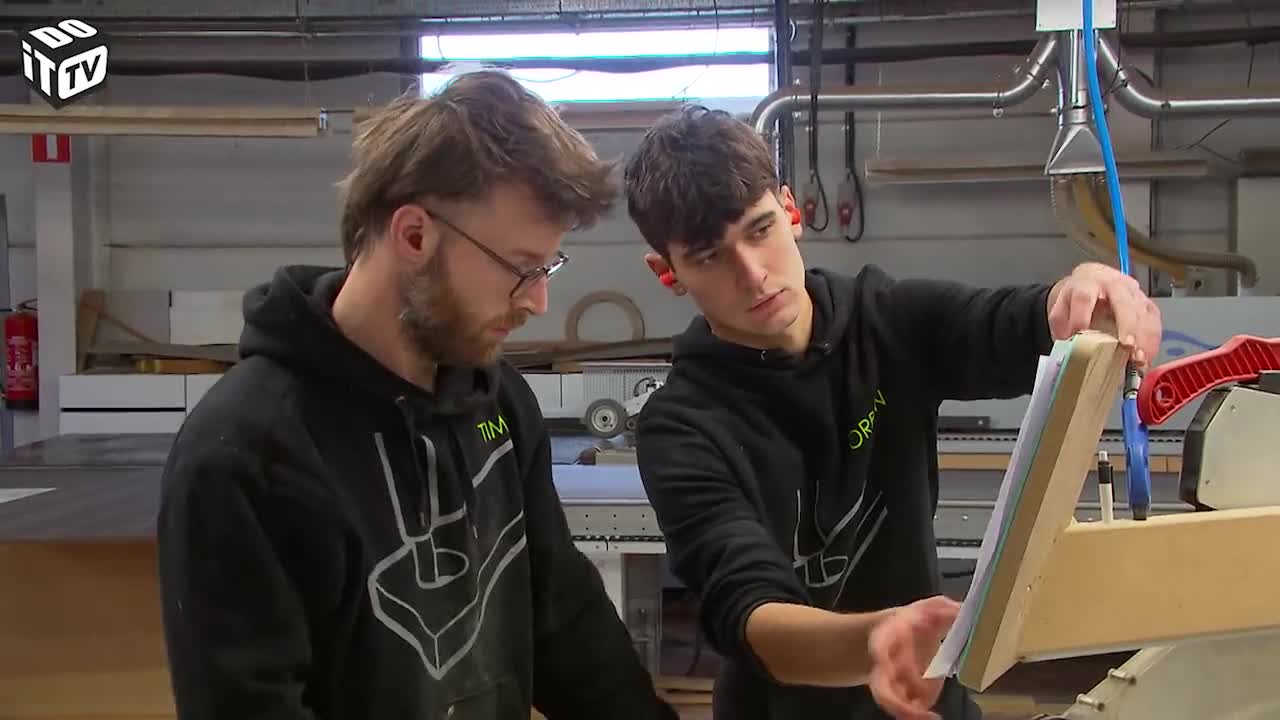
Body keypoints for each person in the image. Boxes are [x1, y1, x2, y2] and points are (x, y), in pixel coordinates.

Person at [156, 71, 677, 720]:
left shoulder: (498, 403)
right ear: (413, 236)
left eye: (547, 268)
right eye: (521, 268)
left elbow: (565, 625)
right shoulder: (247, 454)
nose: (538, 301)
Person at [622, 105, 1162, 720]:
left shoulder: (888, 322)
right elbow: (746, 607)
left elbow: (1011, 324)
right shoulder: (681, 425)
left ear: (791, 211)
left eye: (760, 229)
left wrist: (1083, 292)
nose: (752, 274)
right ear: (667, 272)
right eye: (709, 257)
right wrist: (877, 642)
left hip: (931, 700)